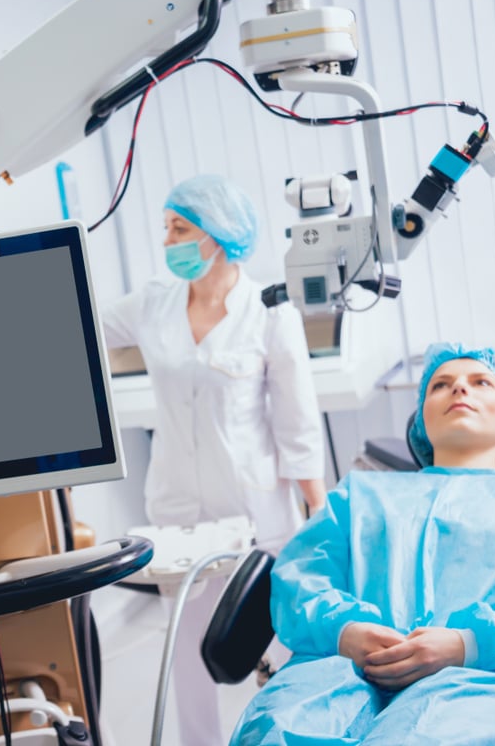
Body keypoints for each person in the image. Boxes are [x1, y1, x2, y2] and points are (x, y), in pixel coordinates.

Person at [230, 342, 495, 746]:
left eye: (481, 382)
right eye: (440, 385)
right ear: (422, 419)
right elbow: (301, 580)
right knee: (274, 728)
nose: (459, 390)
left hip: (484, 684)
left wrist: (467, 645)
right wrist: (346, 631)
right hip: (335, 671)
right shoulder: (359, 495)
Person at [101, 174, 327, 745]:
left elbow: (296, 419)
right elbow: (85, 324)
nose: (169, 240)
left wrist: (317, 507)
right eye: (167, 228)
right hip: (176, 505)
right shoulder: (153, 302)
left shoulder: (270, 312)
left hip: (255, 507)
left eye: (181, 228)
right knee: (187, 647)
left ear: (221, 235)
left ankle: (291, 733)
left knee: (275, 640)